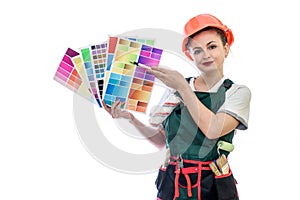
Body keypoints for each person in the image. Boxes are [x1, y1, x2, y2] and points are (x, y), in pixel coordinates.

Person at [103, 13, 251, 200]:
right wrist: (131, 119)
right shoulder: (176, 89)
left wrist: (182, 87)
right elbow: (162, 140)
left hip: (212, 186)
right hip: (172, 184)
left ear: (226, 48)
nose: (205, 55)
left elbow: (213, 129)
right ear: (191, 56)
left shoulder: (237, 92)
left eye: (212, 46)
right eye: (197, 50)